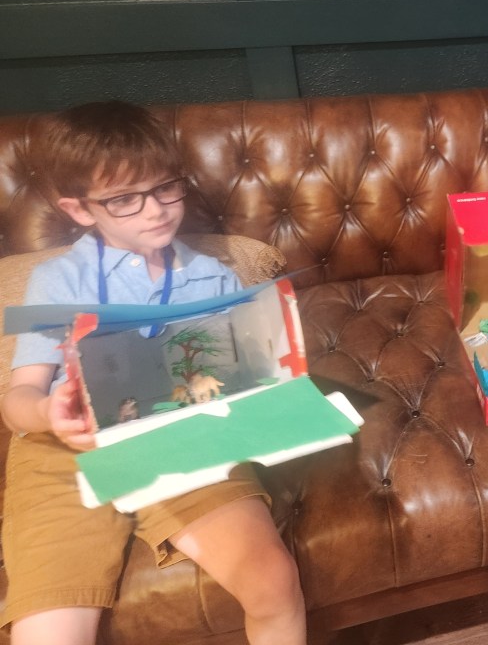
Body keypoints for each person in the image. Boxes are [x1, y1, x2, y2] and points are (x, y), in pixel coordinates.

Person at [0, 101, 306, 644]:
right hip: (65, 452)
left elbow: (244, 376)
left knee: (274, 582)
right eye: (124, 198)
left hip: (183, 437)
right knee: (49, 633)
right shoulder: (57, 280)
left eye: (166, 187)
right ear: (79, 209)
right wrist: (48, 412)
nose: (155, 211)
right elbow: (18, 398)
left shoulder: (212, 277)